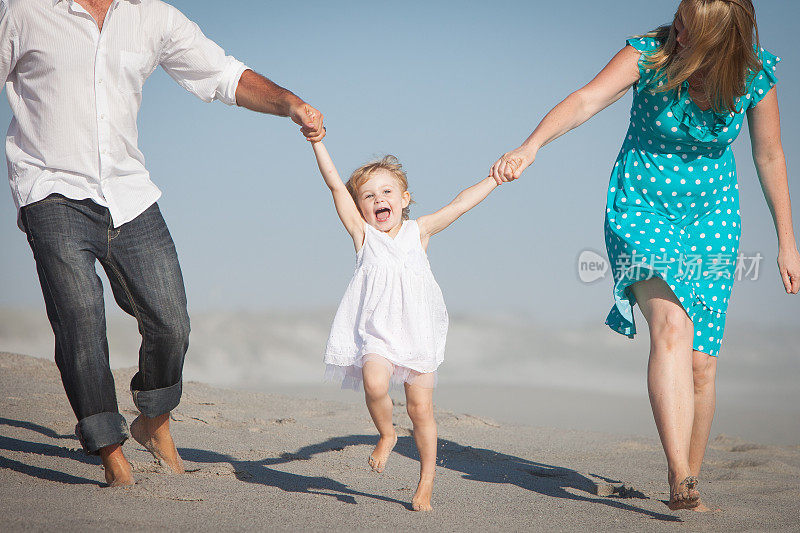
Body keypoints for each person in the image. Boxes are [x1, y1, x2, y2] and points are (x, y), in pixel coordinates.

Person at [489, 0, 799, 511]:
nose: (677, 35)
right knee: (672, 326)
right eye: (678, 21)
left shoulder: (754, 75)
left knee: (702, 365)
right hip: (640, 209)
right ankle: (680, 478)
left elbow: (769, 154)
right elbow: (587, 99)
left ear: (723, 40)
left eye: (691, 31)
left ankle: (690, 480)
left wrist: (786, 238)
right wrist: (532, 145)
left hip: (713, 222)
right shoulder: (649, 56)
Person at [0, 0, 324, 487]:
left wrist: (289, 103)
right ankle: (112, 455)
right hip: (51, 192)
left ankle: (152, 420)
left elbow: (222, 73)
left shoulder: (152, 15)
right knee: (81, 320)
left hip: (129, 196)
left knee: (171, 322)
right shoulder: (23, 9)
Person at [311, 141, 502, 511]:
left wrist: (495, 179)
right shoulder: (363, 236)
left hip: (418, 334)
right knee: (374, 382)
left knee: (421, 410)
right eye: (367, 195)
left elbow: (459, 204)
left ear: (404, 198)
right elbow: (335, 184)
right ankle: (387, 433)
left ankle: (426, 482)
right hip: (377, 333)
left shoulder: (420, 231)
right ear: (359, 206)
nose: (378, 199)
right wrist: (318, 142)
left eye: (386, 192)